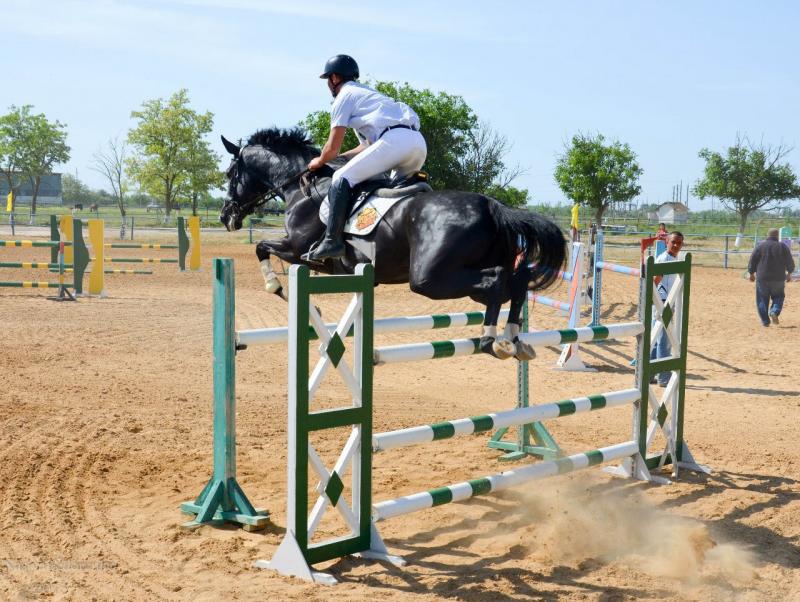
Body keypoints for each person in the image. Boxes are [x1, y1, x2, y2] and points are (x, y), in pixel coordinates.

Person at [305, 54, 428, 261]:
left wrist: (320, 161)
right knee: (394, 194)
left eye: (328, 79)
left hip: (394, 142)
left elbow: (331, 148)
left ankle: (332, 242)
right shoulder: (367, 96)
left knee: (341, 177)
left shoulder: (343, 96)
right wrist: (341, 158)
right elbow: (366, 147)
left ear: (334, 78)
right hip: (417, 142)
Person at [650, 231, 684, 387]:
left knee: (657, 340)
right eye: (673, 242)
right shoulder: (664, 258)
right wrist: (653, 301)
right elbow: (655, 280)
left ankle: (649, 374)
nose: (676, 245)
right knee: (664, 341)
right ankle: (664, 378)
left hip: (666, 302)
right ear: (667, 242)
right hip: (662, 302)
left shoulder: (675, 258)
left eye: (679, 243)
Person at [748, 228, 795, 326]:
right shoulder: (783, 247)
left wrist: (751, 273)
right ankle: (774, 311)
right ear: (777, 236)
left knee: (762, 299)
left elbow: (753, 260)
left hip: (762, 277)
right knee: (779, 296)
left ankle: (765, 321)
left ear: (767, 235)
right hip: (778, 278)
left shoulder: (760, 246)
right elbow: (790, 261)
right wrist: (789, 273)